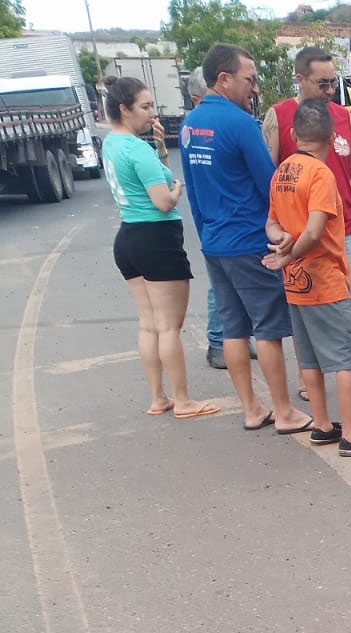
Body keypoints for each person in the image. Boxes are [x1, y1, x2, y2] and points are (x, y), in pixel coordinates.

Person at [179, 43, 311, 434]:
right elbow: (271, 186)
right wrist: (288, 237)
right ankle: (284, 411)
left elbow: (194, 189)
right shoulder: (239, 124)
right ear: (224, 79)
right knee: (269, 328)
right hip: (250, 242)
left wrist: (207, 235)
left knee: (234, 329)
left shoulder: (190, 125)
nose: (254, 89)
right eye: (249, 80)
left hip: (214, 243)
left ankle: (252, 410)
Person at [263, 100, 351, 458]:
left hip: (294, 283)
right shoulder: (321, 175)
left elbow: (271, 223)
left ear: (292, 135)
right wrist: (290, 252)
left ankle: (322, 426)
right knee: (347, 358)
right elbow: (317, 231)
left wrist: (281, 245)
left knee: (309, 359)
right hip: (324, 278)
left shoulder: (282, 171)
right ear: (333, 136)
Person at [262, 45, 351, 402]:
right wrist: (278, 233)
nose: (330, 91)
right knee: (304, 310)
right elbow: (269, 177)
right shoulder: (280, 116)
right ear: (300, 79)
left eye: (334, 83)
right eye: (322, 83)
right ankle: (308, 376)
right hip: (301, 238)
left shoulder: (342, 118)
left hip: (346, 230)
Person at [100, 75, 219, 421]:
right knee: (169, 327)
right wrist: (178, 189)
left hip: (128, 238)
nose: (152, 112)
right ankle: (183, 401)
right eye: (146, 106)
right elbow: (163, 201)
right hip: (156, 239)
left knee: (149, 324)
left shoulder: (113, 144)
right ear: (124, 109)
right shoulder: (136, 149)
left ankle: (159, 397)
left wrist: (161, 149)